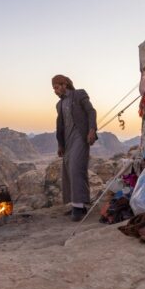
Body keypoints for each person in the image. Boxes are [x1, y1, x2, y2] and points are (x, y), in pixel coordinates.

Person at [52, 75, 98, 222]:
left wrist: (92, 130)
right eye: (53, 88)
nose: (55, 91)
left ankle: (77, 207)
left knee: (75, 167)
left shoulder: (79, 94)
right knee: (68, 169)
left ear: (64, 85)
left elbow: (91, 111)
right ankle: (79, 204)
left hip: (81, 136)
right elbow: (60, 125)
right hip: (67, 140)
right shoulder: (59, 104)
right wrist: (60, 144)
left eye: (56, 87)